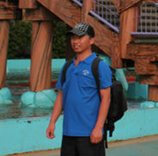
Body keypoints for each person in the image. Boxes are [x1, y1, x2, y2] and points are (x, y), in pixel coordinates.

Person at [46, 23, 112, 156]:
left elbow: (106, 98)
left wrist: (98, 128)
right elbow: (61, 96)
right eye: (73, 38)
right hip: (68, 133)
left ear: (92, 40)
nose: (75, 41)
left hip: (90, 133)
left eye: (80, 37)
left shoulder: (99, 66)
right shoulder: (67, 66)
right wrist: (52, 122)